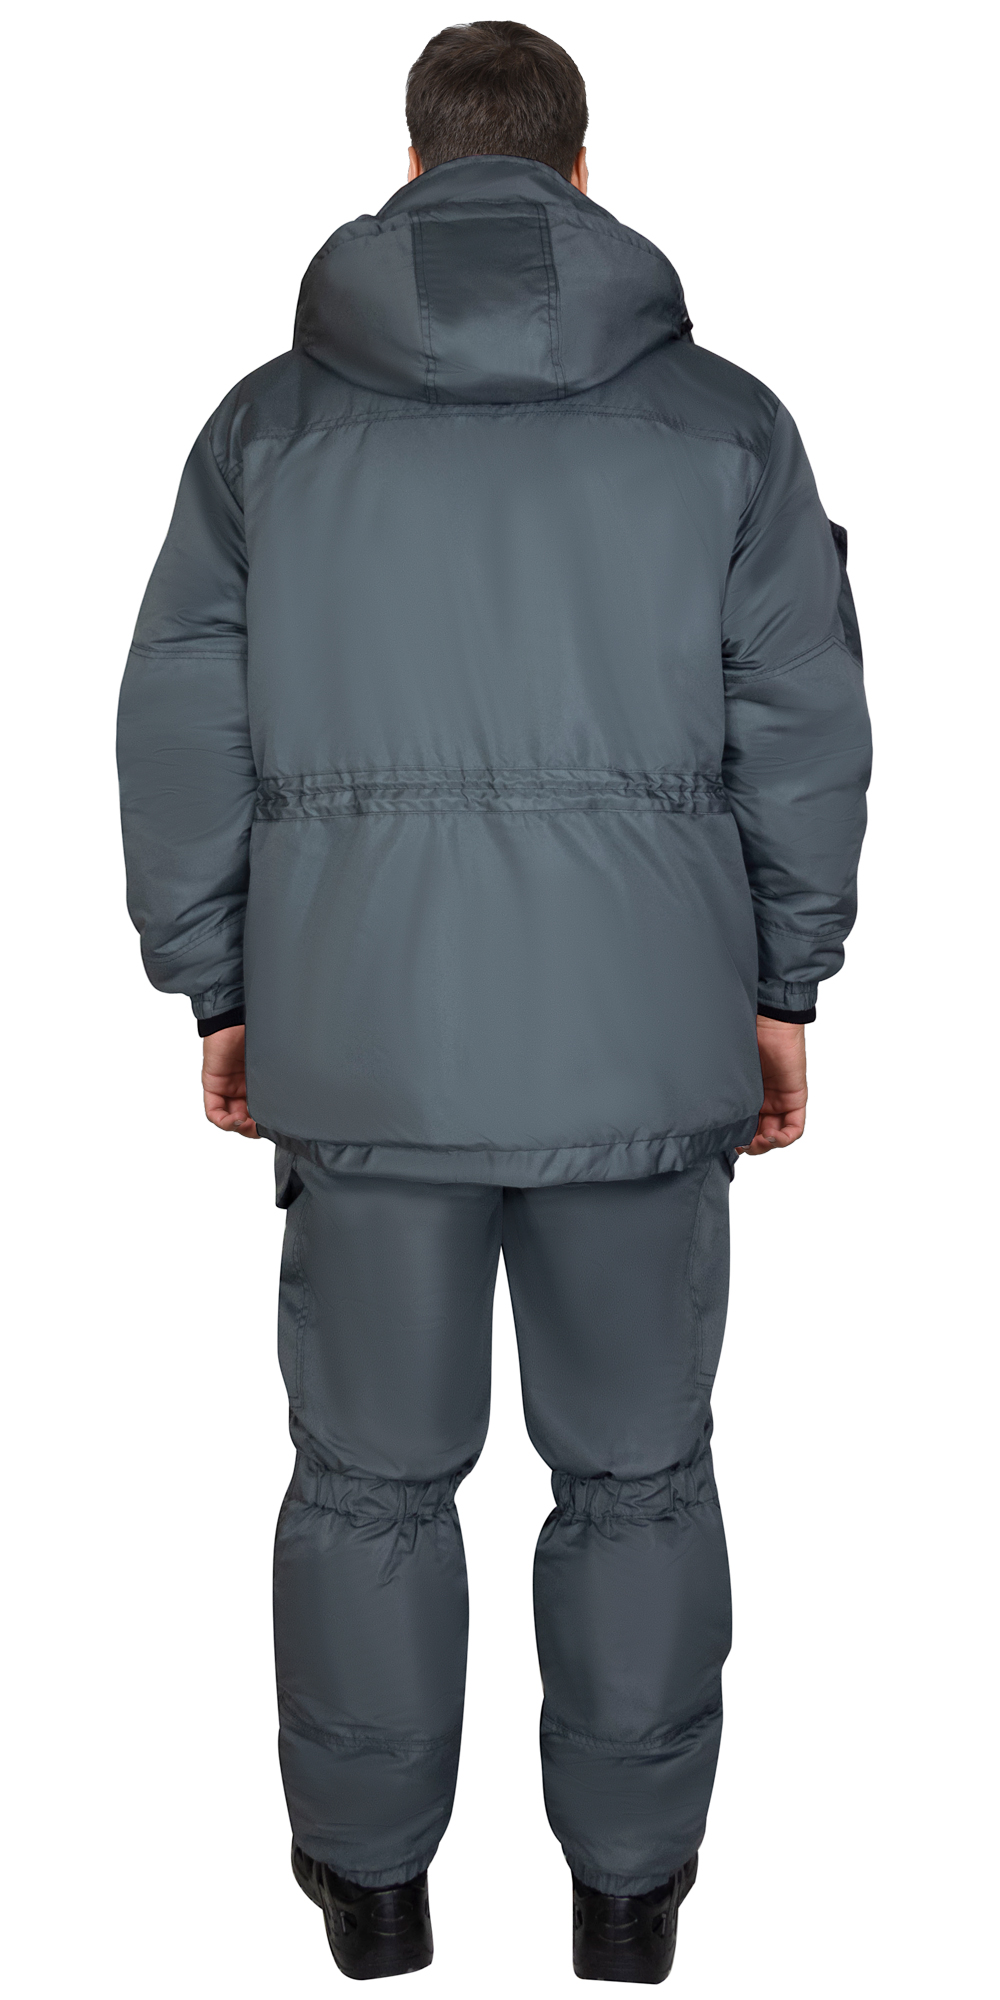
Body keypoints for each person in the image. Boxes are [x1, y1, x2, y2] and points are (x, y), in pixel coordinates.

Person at [117, 18, 871, 1984]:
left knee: (369, 1484)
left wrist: (221, 986)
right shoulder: (724, 427)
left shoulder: (267, 434)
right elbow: (804, 727)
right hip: (644, 1038)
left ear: (411, 166)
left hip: (364, 1042)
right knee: (638, 1475)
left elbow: (180, 726)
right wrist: (781, 983)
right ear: (580, 172)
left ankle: (370, 1891)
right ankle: (630, 1897)